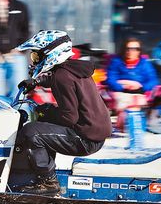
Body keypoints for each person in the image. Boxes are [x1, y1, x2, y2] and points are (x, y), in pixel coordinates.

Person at [15, 30, 112, 194]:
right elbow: (54, 78)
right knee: (42, 127)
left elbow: (69, 117)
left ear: (51, 53)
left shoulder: (63, 76)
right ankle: (41, 172)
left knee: (31, 132)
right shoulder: (72, 69)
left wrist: (47, 111)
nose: (35, 60)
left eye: (37, 56)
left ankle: (48, 182)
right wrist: (37, 81)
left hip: (86, 138)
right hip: (93, 132)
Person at [105, 37, 158, 129]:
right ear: (124, 49)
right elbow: (110, 78)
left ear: (139, 51)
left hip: (139, 91)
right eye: (128, 49)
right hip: (120, 91)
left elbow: (152, 80)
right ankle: (127, 121)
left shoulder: (144, 63)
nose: (131, 51)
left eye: (135, 49)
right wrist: (122, 87)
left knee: (136, 102)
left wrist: (142, 88)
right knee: (123, 100)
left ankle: (130, 122)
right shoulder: (116, 62)